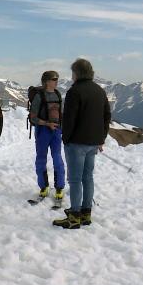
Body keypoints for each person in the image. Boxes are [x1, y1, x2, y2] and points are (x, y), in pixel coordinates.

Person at [53, 59, 111, 229]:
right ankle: (86, 213)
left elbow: (69, 119)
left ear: (77, 73)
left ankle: (74, 216)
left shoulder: (75, 91)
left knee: (75, 180)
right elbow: (107, 116)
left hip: (76, 142)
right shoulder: (100, 91)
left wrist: (66, 138)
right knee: (88, 178)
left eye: (73, 72)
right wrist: (101, 138)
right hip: (93, 142)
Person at [29, 71, 65, 201]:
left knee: (57, 158)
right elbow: (32, 117)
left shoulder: (57, 94)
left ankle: (59, 187)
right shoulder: (39, 96)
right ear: (46, 81)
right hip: (43, 131)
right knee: (41, 159)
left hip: (56, 131)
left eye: (57, 79)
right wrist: (46, 123)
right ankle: (43, 187)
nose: (57, 81)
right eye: (54, 79)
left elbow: (60, 114)